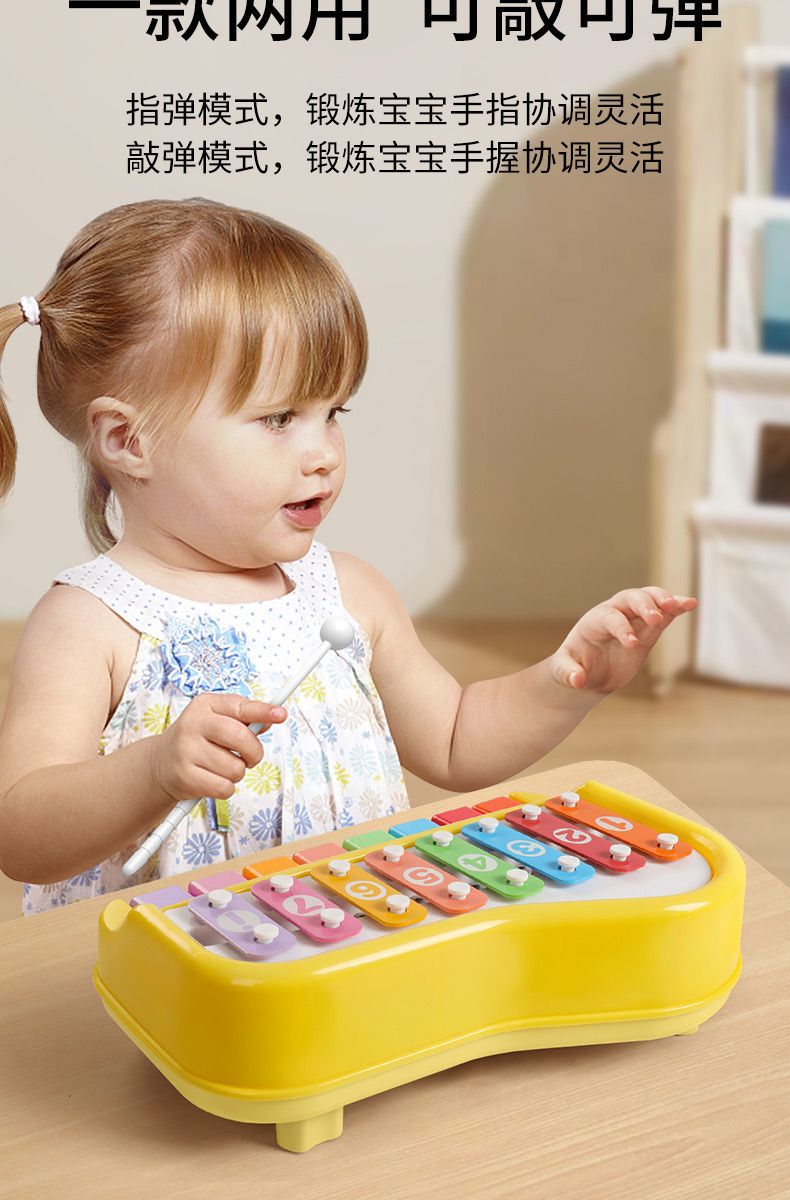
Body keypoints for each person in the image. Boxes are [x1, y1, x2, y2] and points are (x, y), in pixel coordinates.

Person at [0, 198, 696, 916]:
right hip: (163, 965)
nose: (324, 454)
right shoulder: (90, 622)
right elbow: (21, 833)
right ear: (128, 441)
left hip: (342, 943)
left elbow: (456, 740)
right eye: (279, 418)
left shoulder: (350, 594)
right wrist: (151, 770)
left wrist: (567, 680)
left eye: (333, 413)